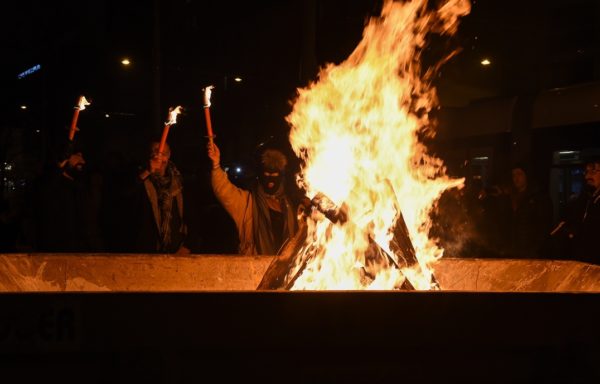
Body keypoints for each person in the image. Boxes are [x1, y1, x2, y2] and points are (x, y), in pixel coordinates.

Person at [207, 142, 298, 255]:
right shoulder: (247, 202)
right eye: (266, 174)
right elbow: (224, 191)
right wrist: (216, 165)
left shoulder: (289, 204)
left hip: (285, 266)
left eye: (275, 175)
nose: (270, 180)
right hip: (254, 266)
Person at [35, 144, 102, 252]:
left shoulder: (79, 187)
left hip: (80, 253)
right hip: (56, 253)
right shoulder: (49, 186)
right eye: (78, 156)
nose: (83, 161)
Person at [130, 142, 189, 254]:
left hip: (176, 250)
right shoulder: (140, 178)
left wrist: (188, 246)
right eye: (155, 152)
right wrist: (147, 172)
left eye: (163, 153)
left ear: (169, 155)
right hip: (146, 251)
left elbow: (191, 216)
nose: (159, 155)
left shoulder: (180, 182)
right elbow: (127, 197)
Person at [507, 162, 553, 258]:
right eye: (513, 175)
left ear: (526, 175)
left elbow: (544, 224)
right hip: (515, 250)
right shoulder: (511, 197)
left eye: (519, 174)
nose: (516, 178)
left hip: (532, 252)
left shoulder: (538, 197)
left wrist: (535, 249)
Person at [559, 158, 600, 264]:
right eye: (586, 172)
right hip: (583, 262)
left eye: (593, 171)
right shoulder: (585, 198)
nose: (587, 176)